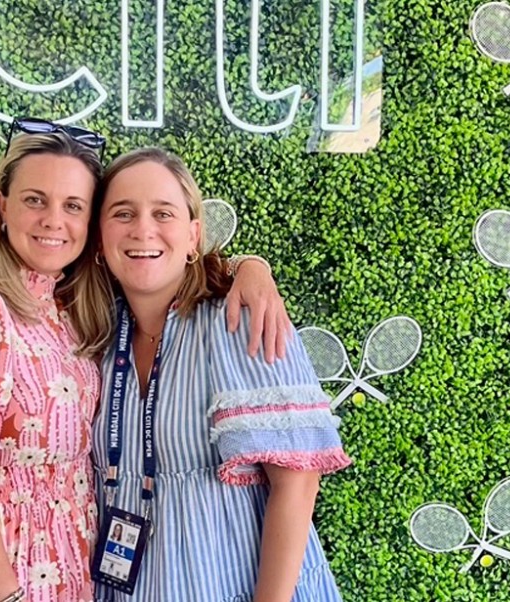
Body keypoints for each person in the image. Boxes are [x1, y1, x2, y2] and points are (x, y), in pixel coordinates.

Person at [0, 122, 289, 602]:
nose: (54, 220)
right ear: (2, 207)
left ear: (90, 226)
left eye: (73, 205)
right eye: (35, 200)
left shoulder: (72, 309)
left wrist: (252, 267)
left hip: (67, 568)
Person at [90, 148, 351, 601]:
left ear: (193, 235)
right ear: (99, 237)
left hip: (235, 584)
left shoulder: (240, 320)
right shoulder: (95, 337)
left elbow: (297, 480)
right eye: (123, 213)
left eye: (163, 213)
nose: (142, 229)